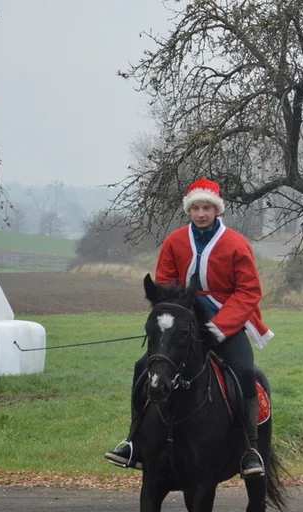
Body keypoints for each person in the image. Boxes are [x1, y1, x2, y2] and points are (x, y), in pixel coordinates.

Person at [105, 178, 274, 477]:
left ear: (217, 210)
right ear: (189, 210)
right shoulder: (174, 241)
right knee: (143, 366)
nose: (200, 213)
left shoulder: (236, 244)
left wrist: (220, 327)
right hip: (185, 321)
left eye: (207, 207)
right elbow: (166, 284)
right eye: (195, 208)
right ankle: (133, 440)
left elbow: (249, 291)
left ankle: (250, 448)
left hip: (227, 321)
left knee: (246, 372)